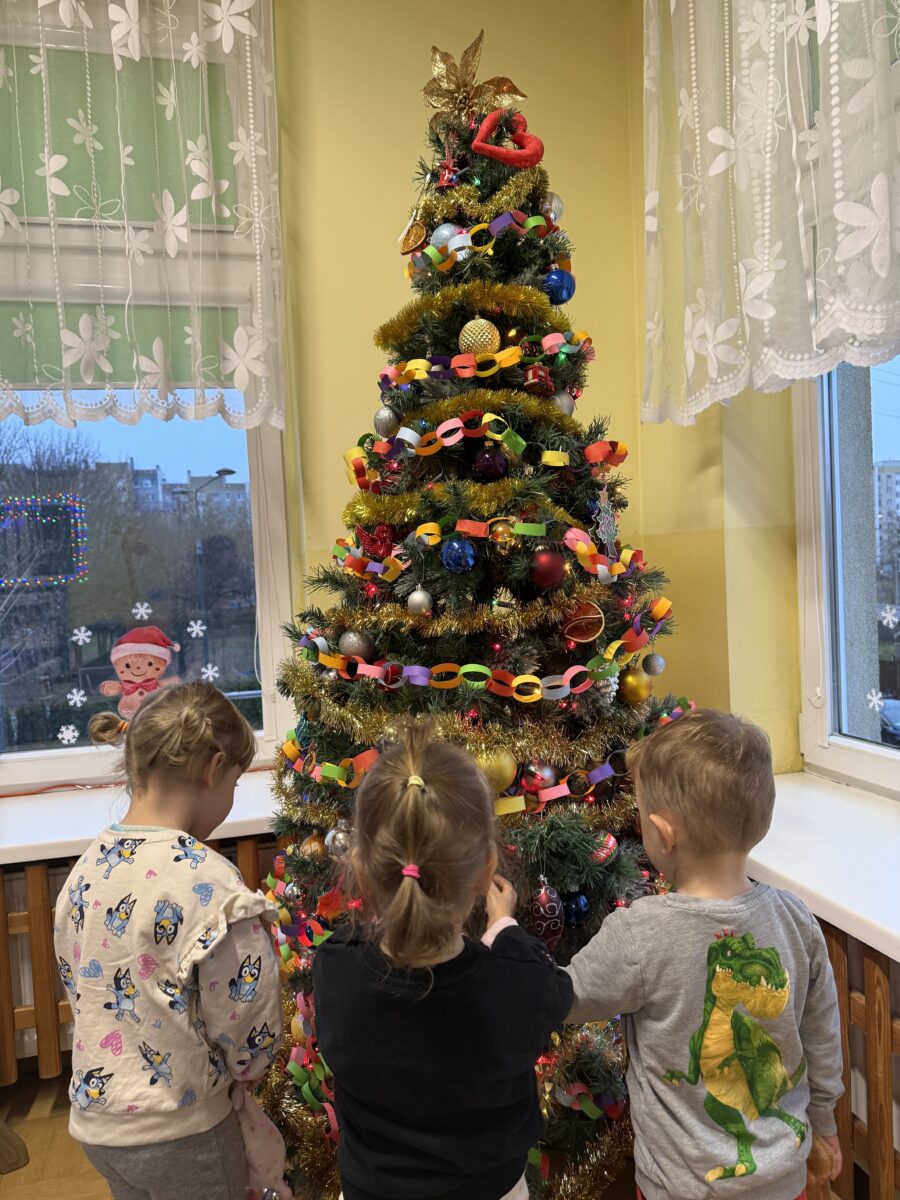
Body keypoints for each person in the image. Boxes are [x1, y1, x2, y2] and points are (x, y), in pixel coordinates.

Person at [564, 708, 844, 1200]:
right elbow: (821, 1036)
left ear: (662, 833)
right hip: (785, 1182)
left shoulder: (639, 934)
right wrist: (825, 1123)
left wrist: (502, 939)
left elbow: (562, 998)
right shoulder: (796, 919)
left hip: (680, 1189)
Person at [312, 722, 574, 1200]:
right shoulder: (518, 983)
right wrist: (503, 928)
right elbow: (553, 990)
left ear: (361, 869)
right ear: (487, 869)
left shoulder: (335, 967)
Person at [54, 682, 283, 1200]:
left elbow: (79, 980)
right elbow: (246, 1005)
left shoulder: (86, 870)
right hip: (185, 1129)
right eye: (235, 783)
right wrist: (251, 1066)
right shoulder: (211, 882)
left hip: (98, 1125)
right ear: (213, 768)